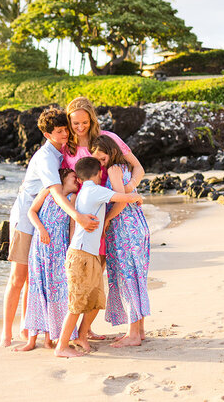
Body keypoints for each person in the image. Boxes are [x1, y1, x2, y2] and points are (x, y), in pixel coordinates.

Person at [0, 107, 99, 348]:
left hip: (46, 219)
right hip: (27, 217)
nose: (65, 134)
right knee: (18, 277)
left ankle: (29, 329)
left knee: (36, 278)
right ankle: (6, 334)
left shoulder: (60, 151)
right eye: (59, 131)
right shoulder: (46, 157)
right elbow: (55, 191)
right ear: (47, 134)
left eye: (66, 129)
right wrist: (77, 215)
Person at [62, 96, 146, 340]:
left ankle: (85, 332)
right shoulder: (67, 148)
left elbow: (138, 167)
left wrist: (128, 189)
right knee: (85, 274)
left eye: (84, 122)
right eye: (74, 123)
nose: (79, 127)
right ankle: (82, 333)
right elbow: (63, 184)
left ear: (92, 120)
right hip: (84, 219)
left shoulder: (108, 139)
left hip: (111, 215)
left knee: (103, 273)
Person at [54, 157, 143, 358]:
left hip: (89, 255)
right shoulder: (93, 190)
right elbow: (124, 197)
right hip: (81, 255)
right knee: (77, 304)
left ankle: (81, 336)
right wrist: (137, 196)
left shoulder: (88, 191)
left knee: (95, 301)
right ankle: (61, 346)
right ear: (99, 174)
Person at [91, 134, 151, 347]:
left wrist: (107, 219)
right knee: (136, 277)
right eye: (96, 160)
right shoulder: (123, 169)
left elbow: (121, 201)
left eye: (102, 158)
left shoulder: (115, 170)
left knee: (127, 278)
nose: (100, 163)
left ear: (112, 153)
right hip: (136, 226)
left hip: (125, 229)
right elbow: (127, 194)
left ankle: (133, 334)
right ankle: (139, 330)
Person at [15, 168, 81, 352]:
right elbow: (32, 211)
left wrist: (70, 251)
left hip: (59, 250)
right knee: (38, 287)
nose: (76, 180)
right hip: (39, 247)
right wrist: (41, 229)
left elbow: (72, 227)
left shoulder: (73, 198)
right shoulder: (49, 189)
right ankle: (31, 339)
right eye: (73, 177)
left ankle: (51, 338)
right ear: (62, 178)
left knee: (56, 290)